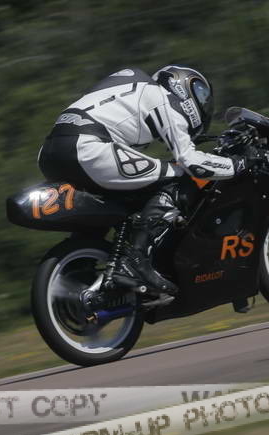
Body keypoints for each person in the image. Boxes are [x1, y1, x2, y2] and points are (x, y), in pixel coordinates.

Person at [37, 65, 246, 295]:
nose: (204, 106)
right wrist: (238, 164)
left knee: (121, 200)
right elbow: (191, 161)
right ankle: (136, 261)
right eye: (202, 97)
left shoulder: (131, 87)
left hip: (50, 152)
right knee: (180, 176)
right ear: (182, 86)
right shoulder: (163, 98)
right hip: (87, 147)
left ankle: (78, 273)